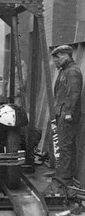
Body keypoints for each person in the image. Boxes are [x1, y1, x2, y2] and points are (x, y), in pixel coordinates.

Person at [44, 45, 83, 196]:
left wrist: (69, 113)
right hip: (60, 113)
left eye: (58, 57)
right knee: (59, 144)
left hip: (67, 115)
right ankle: (59, 175)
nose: (55, 61)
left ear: (67, 56)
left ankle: (64, 180)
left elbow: (74, 94)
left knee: (65, 146)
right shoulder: (64, 71)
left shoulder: (72, 71)